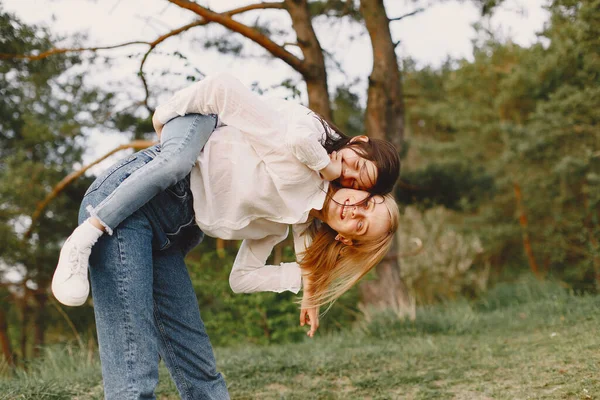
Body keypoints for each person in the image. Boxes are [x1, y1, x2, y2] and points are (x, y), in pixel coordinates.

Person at [52, 72, 400, 307]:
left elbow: (246, 276)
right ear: (360, 141)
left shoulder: (285, 220)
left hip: (180, 216)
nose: (353, 203)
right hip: (200, 121)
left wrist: (303, 277)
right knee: (174, 163)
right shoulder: (309, 147)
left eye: (360, 222)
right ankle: (84, 237)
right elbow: (222, 90)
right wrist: (165, 114)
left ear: (345, 238)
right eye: (365, 204)